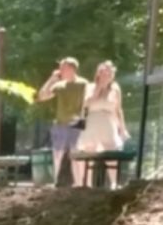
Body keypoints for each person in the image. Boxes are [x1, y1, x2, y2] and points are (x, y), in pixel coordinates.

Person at [77, 60, 131, 188]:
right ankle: (87, 184)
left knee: (111, 151)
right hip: (93, 121)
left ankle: (114, 183)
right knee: (89, 151)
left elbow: (118, 109)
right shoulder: (90, 87)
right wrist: (99, 88)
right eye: (105, 73)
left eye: (110, 73)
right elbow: (86, 104)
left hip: (108, 122)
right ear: (99, 73)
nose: (108, 75)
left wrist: (122, 128)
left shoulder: (116, 88)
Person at [36, 57, 88, 185]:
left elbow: (89, 102)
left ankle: (79, 184)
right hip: (60, 124)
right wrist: (51, 79)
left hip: (78, 123)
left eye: (63, 68)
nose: (60, 70)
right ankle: (55, 183)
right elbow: (41, 97)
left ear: (72, 69)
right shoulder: (59, 85)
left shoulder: (84, 84)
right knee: (57, 154)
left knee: (77, 155)